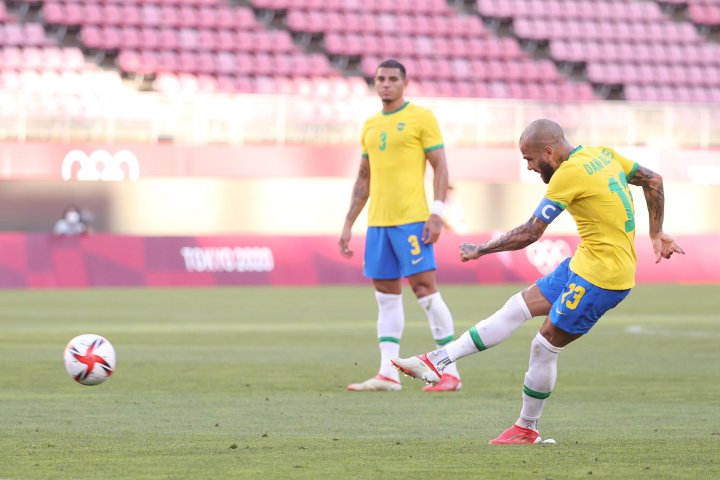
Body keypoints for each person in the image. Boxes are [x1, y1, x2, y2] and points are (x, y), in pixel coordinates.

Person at [392, 119, 684, 442]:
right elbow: (652, 180)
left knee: (543, 345)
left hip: (605, 277)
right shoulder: (602, 154)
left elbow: (531, 232)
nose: (530, 167)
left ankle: (526, 428)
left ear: (549, 151)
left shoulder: (567, 174)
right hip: (584, 262)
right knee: (515, 308)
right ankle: (436, 361)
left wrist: (481, 249)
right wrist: (656, 232)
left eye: (530, 159)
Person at [339, 59, 462, 392]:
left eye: (393, 79)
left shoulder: (421, 118)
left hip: (411, 221)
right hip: (378, 223)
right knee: (386, 297)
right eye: (380, 79)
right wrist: (349, 221)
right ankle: (387, 373)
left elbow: (440, 167)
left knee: (425, 291)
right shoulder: (370, 125)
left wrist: (436, 213)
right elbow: (363, 178)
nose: (386, 84)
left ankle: (449, 371)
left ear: (405, 83)